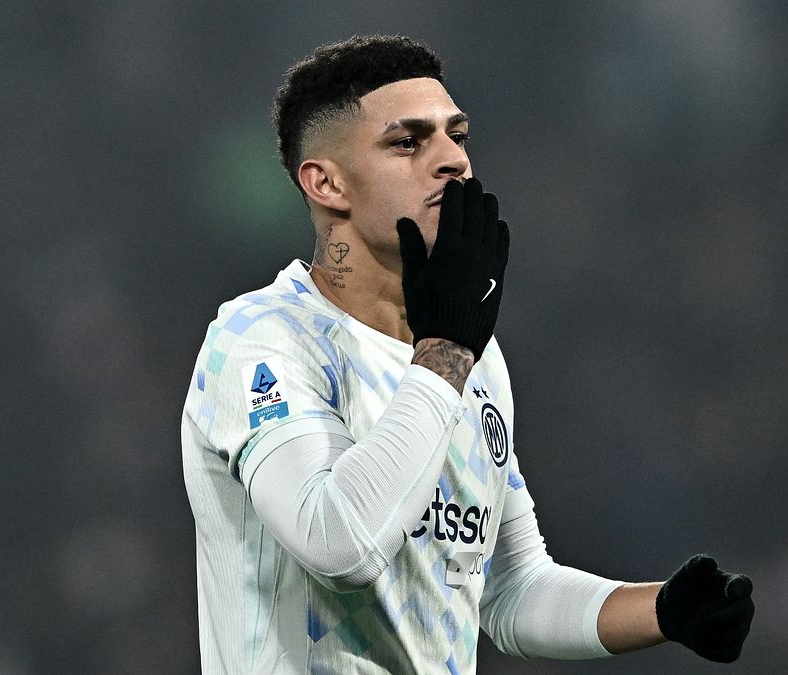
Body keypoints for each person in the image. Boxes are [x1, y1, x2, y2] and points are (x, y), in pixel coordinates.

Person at [181, 35, 754, 674]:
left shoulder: (473, 358)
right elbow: (340, 546)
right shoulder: (262, 339)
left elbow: (511, 588)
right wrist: (448, 351)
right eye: (408, 142)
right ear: (327, 183)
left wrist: (666, 611)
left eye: (458, 136)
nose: (453, 160)